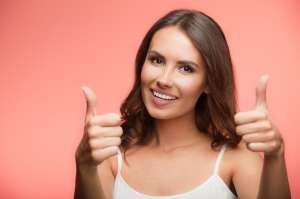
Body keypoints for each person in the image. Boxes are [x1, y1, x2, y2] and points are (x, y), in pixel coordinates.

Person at [74, 9, 291, 199]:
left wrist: (275, 156)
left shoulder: (236, 158)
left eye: (186, 68)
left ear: (208, 82)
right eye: (157, 60)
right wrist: (84, 165)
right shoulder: (109, 155)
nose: (164, 80)